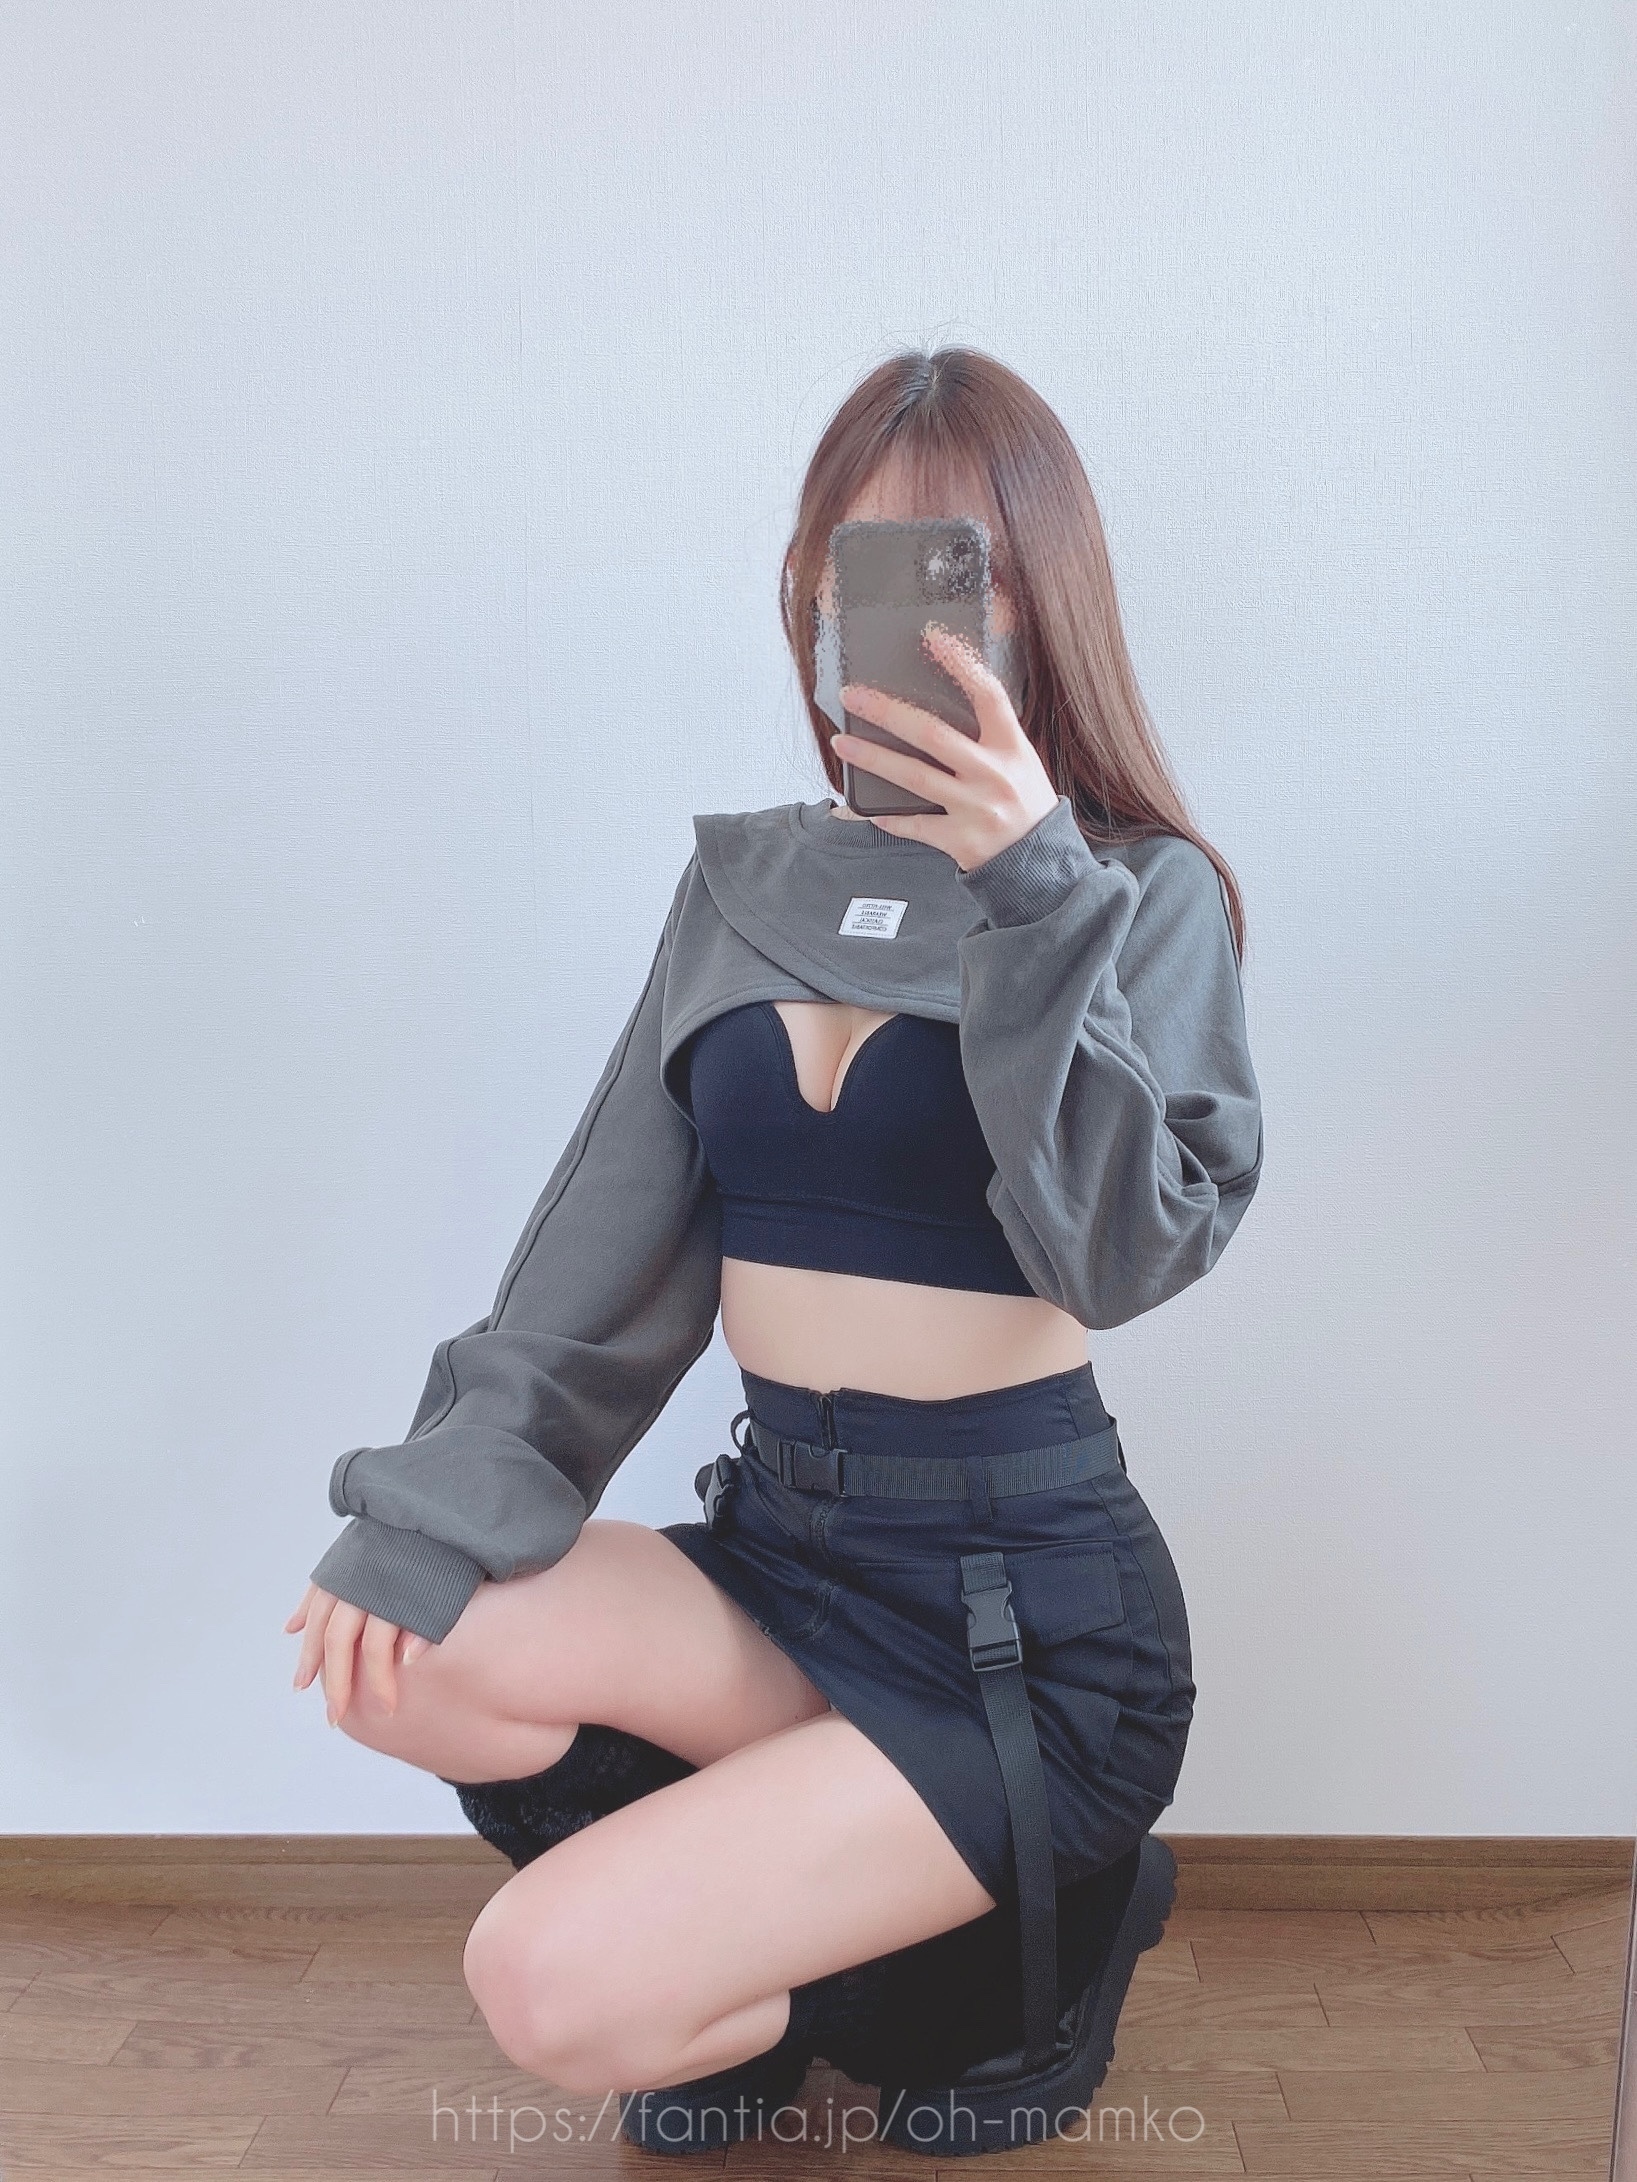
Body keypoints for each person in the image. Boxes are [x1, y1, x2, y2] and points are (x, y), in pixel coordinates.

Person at [285, 346, 1263, 2155]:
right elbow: (592, 1259)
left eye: (950, 566)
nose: (890, 612)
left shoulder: (1138, 894)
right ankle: (767, 1941)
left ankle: (1028, 1951)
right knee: (400, 1646)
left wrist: (1034, 889)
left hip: (1023, 1614)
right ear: (810, 599)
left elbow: (1121, 1255)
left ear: (1036, 595)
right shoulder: (742, 888)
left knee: (547, 1982)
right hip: (784, 1557)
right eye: (849, 568)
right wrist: (424, 1507)